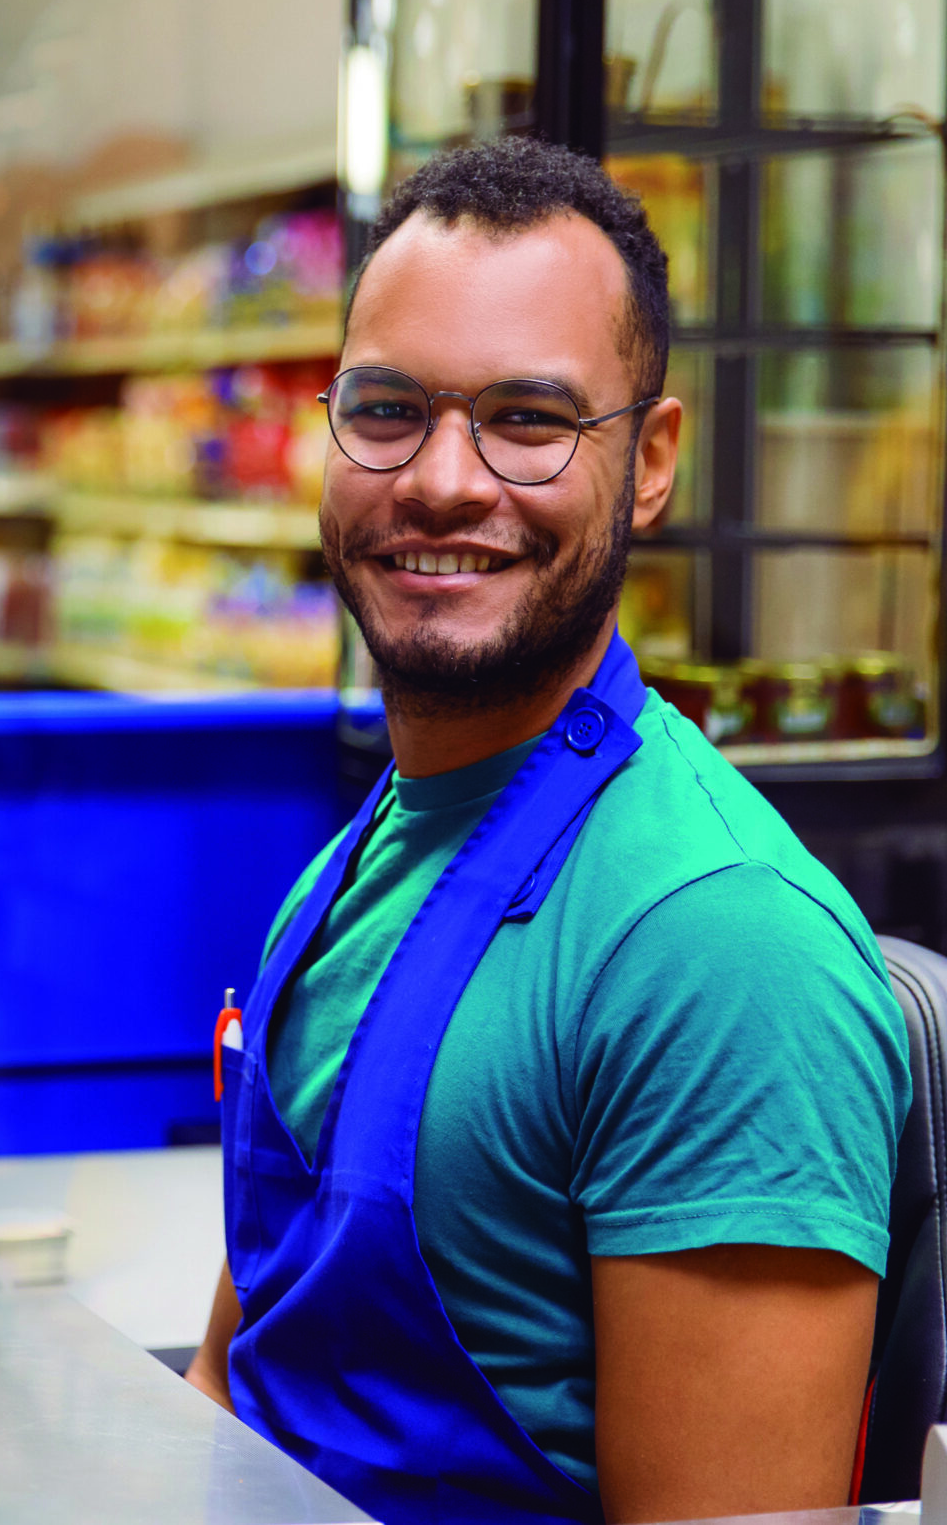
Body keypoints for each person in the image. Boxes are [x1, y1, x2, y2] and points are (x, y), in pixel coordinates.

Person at [184, 137, 908, 1525]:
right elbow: (238, 1381)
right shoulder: (357, 866)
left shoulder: (716, 945)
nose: (443, 481)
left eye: (528, 420)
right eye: (387, 408)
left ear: (650, 462)